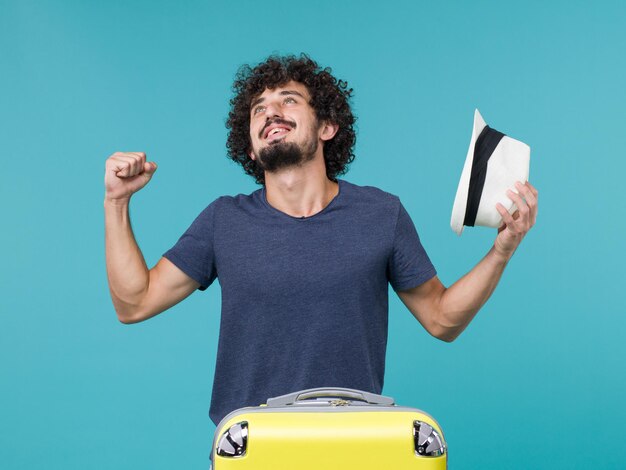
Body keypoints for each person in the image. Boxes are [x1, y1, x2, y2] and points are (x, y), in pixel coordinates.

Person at [104, 54, 538, 429]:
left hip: (352, 443)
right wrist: (116, 201)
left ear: (327, 125)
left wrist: (501, 251)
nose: (270, 112)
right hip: (254, 446)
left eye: (287, 101)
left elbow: (443, 320)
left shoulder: (381, 214)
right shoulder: (223, 220)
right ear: (251, 149)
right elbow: (134, 302)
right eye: (259, 109)